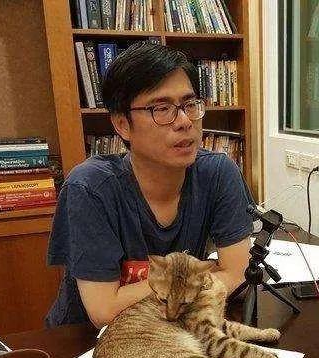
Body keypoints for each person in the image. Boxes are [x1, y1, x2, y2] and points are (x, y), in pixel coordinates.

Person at [46, 42, 254, 328]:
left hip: (174, 332)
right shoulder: (90, 187)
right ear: (122, 124)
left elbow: (237, 275)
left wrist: (176, 287)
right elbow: (104, 311)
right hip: (88, 342)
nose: (184, 121)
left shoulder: (218, 173)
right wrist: (198, 278)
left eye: (189, 105)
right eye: (162, 108)